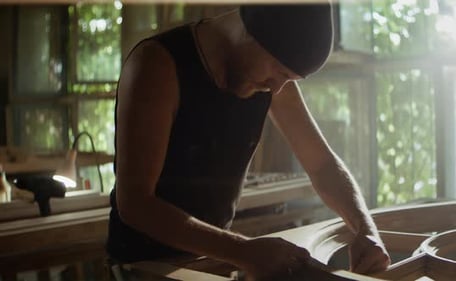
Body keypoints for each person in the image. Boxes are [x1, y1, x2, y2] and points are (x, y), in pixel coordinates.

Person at [107, 2, 390, 280]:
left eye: (289, 79)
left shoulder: (272, 78)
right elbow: (135, 204)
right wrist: (244, 251)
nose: (277, 87)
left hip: (210, 262)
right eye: (279, 72)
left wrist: (365, 229)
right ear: (250, 32)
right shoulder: (158, 64)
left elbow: (323, 166)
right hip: (142, 268)